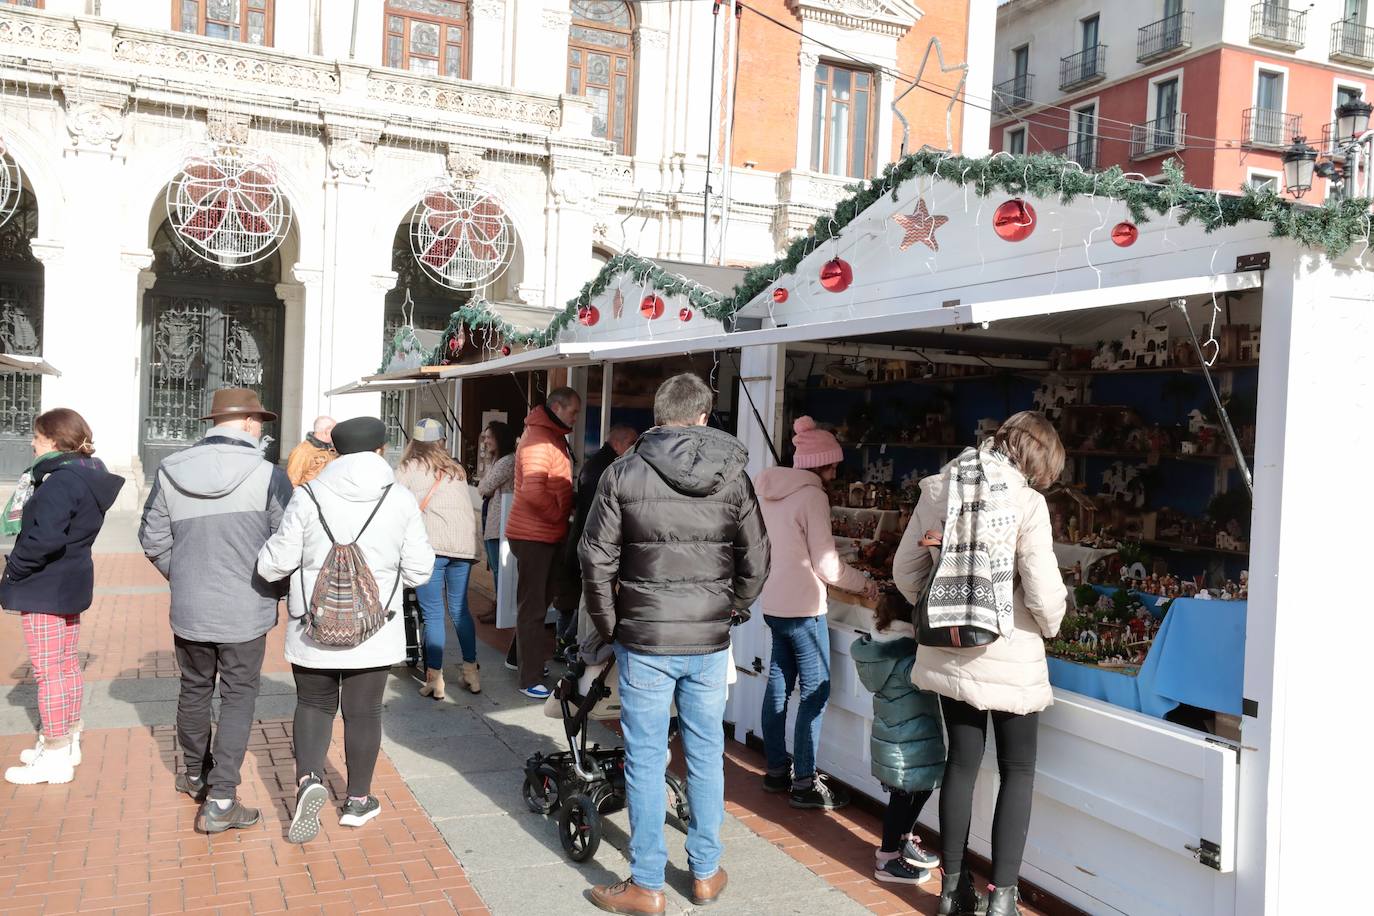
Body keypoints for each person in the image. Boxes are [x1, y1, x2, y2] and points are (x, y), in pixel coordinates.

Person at [581, 373, 770, 916]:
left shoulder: (623, 472)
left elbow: (595, 560)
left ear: (657, 416)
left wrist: (613, 623)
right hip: (707, 639)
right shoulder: (733, 475)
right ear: (705, 417)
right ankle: (705, 872)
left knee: (646, 756)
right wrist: (730, 607)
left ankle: (647, 883)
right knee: (706, 753)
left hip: (646, 636)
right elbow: (757, 559)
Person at [892, 411, 1068, 916]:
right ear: (1037, 457)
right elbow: (1043, 590)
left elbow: (906, 570)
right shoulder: (1027, 503)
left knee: (961, 766)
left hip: (952, 649)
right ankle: (1004, 898)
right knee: (1018, 771)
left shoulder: (942, 488)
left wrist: (938, 604)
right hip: (1011, 651)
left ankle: (952, 890)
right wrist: (1052, 626)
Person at [257, 416, 435, 844]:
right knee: (364, 712)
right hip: (376, 628)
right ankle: (357, 800)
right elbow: (420, 569)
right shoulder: (399, 498)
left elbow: (276, 562)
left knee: (314, 704)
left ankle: (308, 781)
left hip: (312, 624)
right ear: (380, 450)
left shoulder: (309, 494)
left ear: (334, 451)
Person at [139, 388, 292, 833]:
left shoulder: (169, 470)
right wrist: (272, 587)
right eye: (259, 420)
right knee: (239, 696)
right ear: (246, 422)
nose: (261, 428)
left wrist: (183, 575)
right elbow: (287, 544)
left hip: (191, 607)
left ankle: (193, 774)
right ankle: (222, 797)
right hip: (246, 608)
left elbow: (152, 539)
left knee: (194, 689)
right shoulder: (268, 474)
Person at [754, 416, 876, 810]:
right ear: (820, 463)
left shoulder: (770, 489)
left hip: (772, 601)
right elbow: (828, 566)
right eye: (833, 464)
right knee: (816, 692)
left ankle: (776, 770)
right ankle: (804, 782)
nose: (836, 471)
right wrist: (865, 584)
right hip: (805, 609)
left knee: (777, 683)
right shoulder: (812, 496)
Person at [0, 409, 123, 785]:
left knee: (50, 672)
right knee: (65, 665)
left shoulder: (60, 481)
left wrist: (13, 570)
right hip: (68, 580)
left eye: (37, 437)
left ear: (54, 440)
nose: (32, 443)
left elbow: (44, 538)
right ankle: (66, 740)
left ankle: (55, 753)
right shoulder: (85, 473)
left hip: (45, 586)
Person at [850, 590, 945, 885]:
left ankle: (902, 839)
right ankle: (887, 858)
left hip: (898, 738)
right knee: (904, 796)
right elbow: (929, 682)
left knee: (913, 791)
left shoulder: (881, 646)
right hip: (907, 742)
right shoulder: (906, 656)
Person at [396, 418, 481, 699]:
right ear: (442, 441)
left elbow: (394, 506)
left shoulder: (408, 469)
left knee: (432, 613)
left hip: (430, 548)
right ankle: (471, 671)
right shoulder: (456, 469)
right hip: (463, 548)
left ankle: (435, 679)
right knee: (459, 610)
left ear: (415, 442)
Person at [505, 387, 581, 700]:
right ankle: (529, 677)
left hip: (540, 532)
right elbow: (533, 492)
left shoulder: (547, 435)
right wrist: (558, 515)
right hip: (535, 533)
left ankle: (518, 659)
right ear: (558, 407)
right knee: (533, 607)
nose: (576, 417)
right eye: (573, 411)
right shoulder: (539, 438)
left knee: (535, 603)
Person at [554, 423, 637, 660]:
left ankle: (575, 647)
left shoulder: (597, 464)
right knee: (590, 604)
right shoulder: (610, 469)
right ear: (620, 443)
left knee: (584, 601)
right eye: (632, 443)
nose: (635, 449)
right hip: (598, 548)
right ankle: (582, 650)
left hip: (585, 544)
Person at [476, 421, 515, 632]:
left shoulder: (507, 461)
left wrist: (484, 486)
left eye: (489, 437)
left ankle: (501, 610)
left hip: (500, 523)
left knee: (500, 570)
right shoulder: (497, 461)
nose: (486, 441)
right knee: (495, 570)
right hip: (493, 521)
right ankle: (497, 606)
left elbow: (484, 487)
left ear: (500, 438)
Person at [286, 416, 336, 487]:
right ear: (327, 430)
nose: (337, 432)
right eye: (335, 429)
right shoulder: (302, 451)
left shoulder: (332, 450)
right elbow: (291, 482)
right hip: (309, 496)